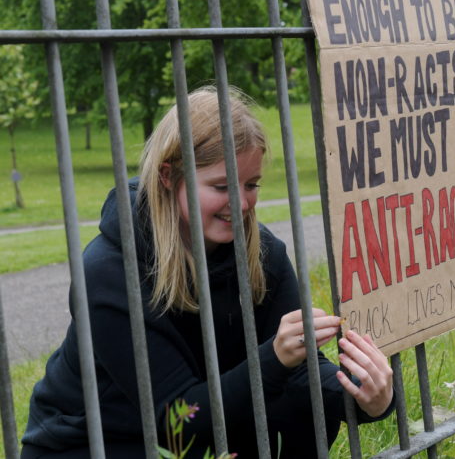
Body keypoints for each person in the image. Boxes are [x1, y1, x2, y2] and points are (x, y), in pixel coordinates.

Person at [21, 86, 394, 458]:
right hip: (99, 443)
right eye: (222, 186)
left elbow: (301, 375)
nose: (242, 202)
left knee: (301, 412)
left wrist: (363, 394)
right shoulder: (108, 274)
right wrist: (274, 358)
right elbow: (177, 421)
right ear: (168, 176)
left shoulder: (262, 254)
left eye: (251, 185)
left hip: (205, 427)